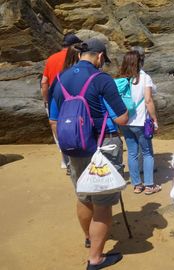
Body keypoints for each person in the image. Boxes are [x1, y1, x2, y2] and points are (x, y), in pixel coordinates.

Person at [49, 38, 127, 269]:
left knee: (83, 195)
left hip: (73, 146)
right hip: (103, 146)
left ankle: (88, 237)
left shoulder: (60, 79)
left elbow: (54, 120)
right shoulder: (102, 79)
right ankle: (96, 258)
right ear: (100, 56)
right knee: (102, 202)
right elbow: (122, 118)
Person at [117, 51, 161, 195]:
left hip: (124, 121)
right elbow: (148, 100)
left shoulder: (120, 78)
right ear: (140, 61)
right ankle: (149, 185)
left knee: (132, 153)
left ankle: (137, 185)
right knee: (148, 153)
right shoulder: (144, 77)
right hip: (140, 121)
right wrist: (154, 119)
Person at [42, 33, 82, 171]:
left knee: (56, 125)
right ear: (73, 45)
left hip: (54, 97)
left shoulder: (51, 59)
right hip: (73, 96)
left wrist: (46, 99)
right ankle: (75, 156)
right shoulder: (77, 57)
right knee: (75, 125)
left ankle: (64, 159)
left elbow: (44, 82)